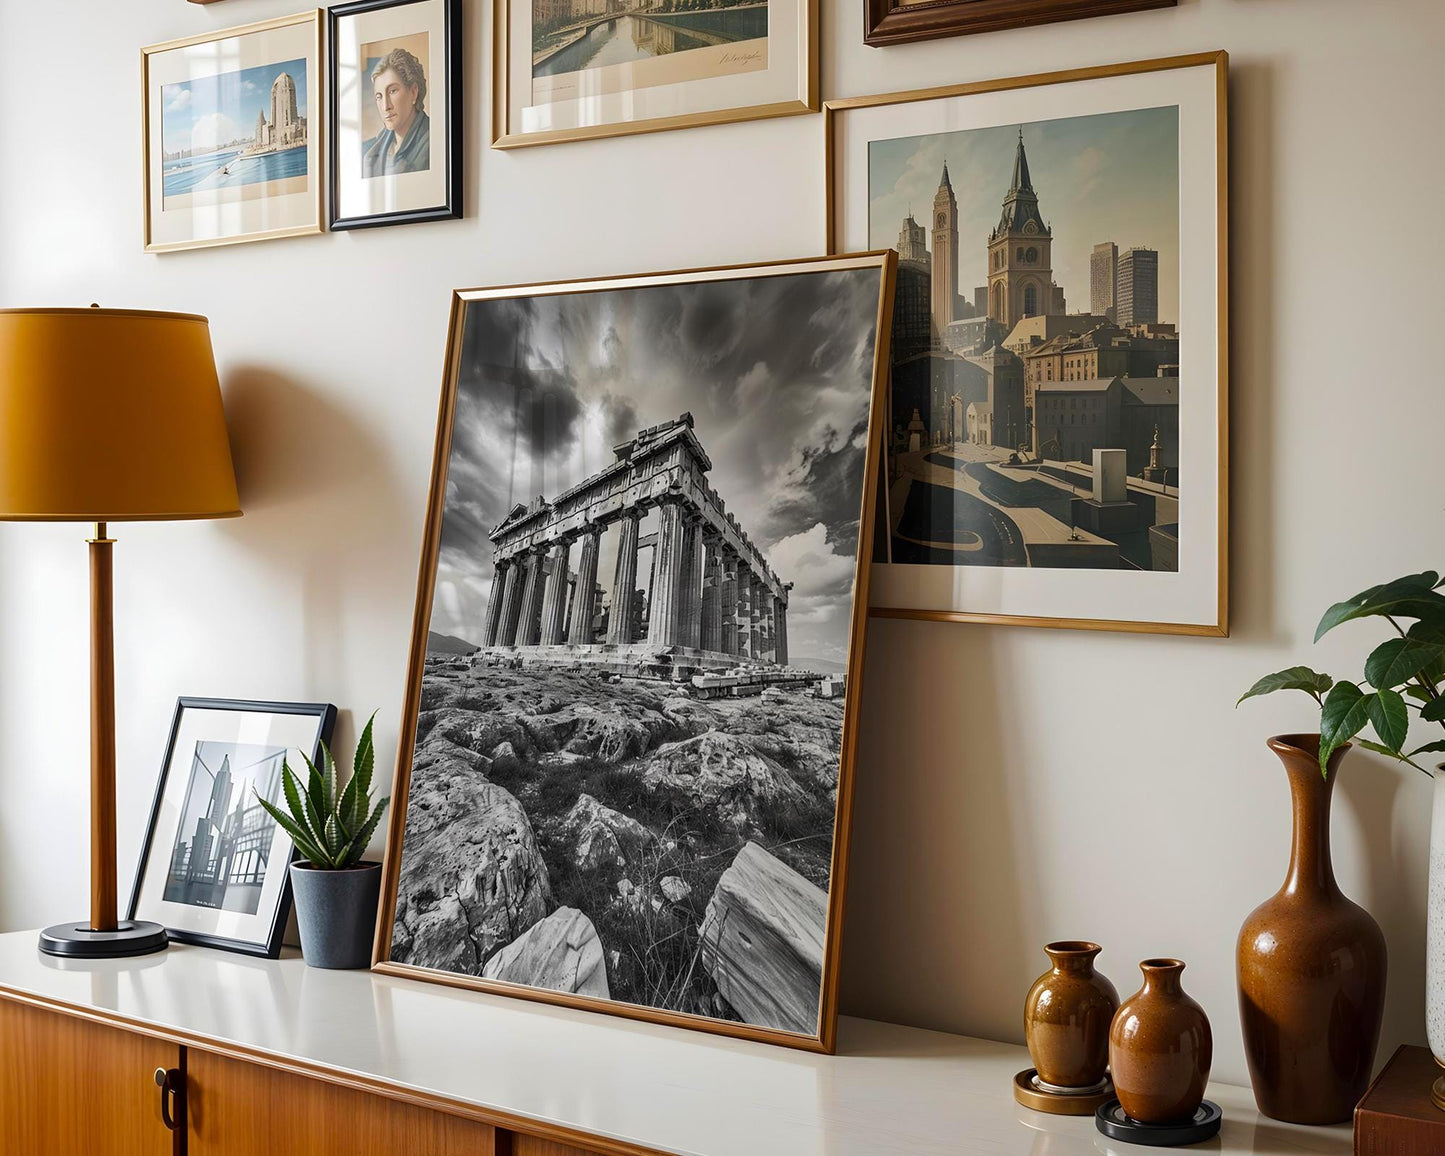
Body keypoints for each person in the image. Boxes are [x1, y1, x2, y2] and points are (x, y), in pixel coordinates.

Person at [362, 48, 430, 177]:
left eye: (392, 91)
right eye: (379, 96)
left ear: (413, 92)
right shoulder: (368, 151)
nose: (385, 106)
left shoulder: (433, 141)